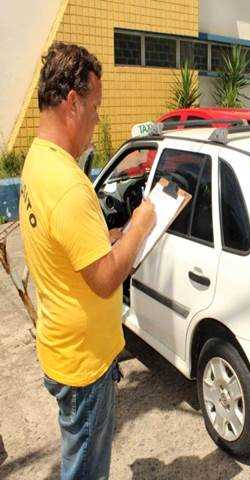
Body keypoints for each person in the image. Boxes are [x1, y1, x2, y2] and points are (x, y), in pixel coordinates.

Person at [19, 42, 156, 479]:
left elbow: (72, 248)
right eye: (95, 106)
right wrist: (141, 223)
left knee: (79, 456)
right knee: (85, 470)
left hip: (60, 348)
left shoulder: (37, 162)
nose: (98, 118)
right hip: (83, 367)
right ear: (73, 102)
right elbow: (104, 278)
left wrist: (111, 236)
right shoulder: (69, 185)